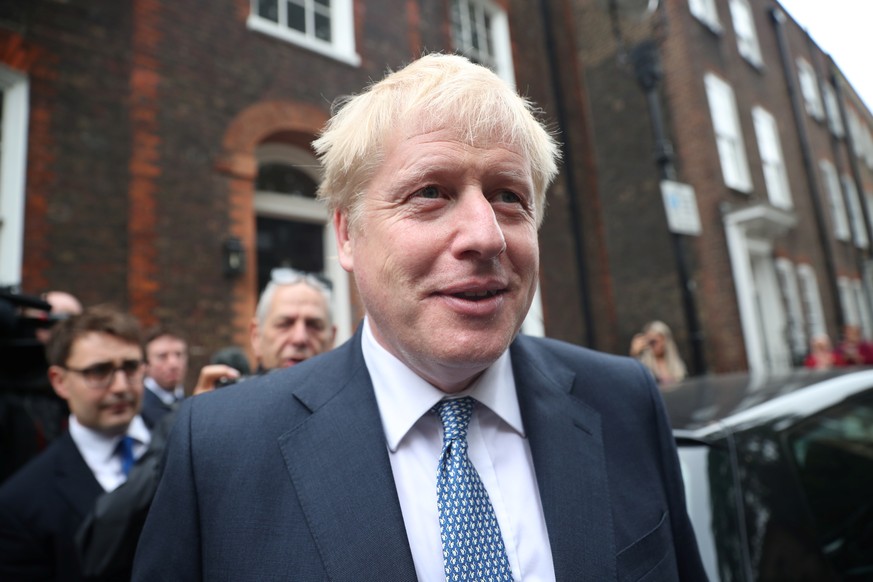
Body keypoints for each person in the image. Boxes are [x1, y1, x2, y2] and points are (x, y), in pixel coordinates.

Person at [133, 54, 705, 580]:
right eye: (431, 192)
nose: (485, 236)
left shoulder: (624, 400)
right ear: (348, 233)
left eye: (509, 196)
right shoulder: (219, 447)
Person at [0, 305, 150, 581]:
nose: (120, 386)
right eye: (98, 371)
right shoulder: (20, 504)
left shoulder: (185, 449)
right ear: (60, 381)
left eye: (130, 367)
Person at [193, 268, 336, 394]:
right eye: (285, 324)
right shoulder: (231, 403)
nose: (299, 338)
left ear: (332, 339)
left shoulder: (352, 407)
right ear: (256, 336)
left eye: (313, 325)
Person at [140, 326, 188, 426]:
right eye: (162, 356)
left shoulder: (191, 402)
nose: (173, 364)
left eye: (178, 355)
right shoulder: (137, 409)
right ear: (146, 364)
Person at [630, 320, 688, 386]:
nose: (653, 346)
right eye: (650, 342)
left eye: (655, 342)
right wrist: (634, 354)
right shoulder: (645, 365)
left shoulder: (676, 363)